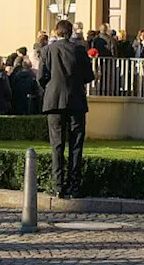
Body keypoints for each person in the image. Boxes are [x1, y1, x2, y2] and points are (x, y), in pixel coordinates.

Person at [40, 18, 95, 199]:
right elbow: (89, 76)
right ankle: (74, 186)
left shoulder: (47, 50)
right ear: (70, 33)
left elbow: (41, 77)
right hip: (76, 100)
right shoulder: (79, 50)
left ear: (56, 32)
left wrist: (52, 87)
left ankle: (58, 186)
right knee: (76, 145)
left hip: (54, 101)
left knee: (57, 144)